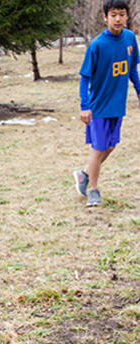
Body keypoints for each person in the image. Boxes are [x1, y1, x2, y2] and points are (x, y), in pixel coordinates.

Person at [74, 0, 140, 206]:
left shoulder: (130, 39)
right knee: (98, 148)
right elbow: (84, 78)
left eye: (121, 14)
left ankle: (83, 174)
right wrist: (85, 106)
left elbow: (131, 71)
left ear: (127, 16)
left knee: (110, 146)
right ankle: (92, 190)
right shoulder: (97, 45)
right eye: (113, 14)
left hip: (117, 105)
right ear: (105, 17)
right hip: (98, 106)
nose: (118, 19)